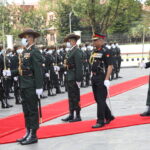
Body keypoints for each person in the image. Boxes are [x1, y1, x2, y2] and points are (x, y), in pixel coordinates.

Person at [3, 28, 43, 145]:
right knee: (26, 110)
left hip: (31, 84)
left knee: (32, 110)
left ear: (30, 38)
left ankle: (33, 134)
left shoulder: (35, 52)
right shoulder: (25, 51)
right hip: (24, 84)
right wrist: (11, 72)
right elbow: (22, 69)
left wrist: (39, 87)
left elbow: (38, 70)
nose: (23, 40)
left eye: (25, 38)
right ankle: (28, 131)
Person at [90, 33, 115, 128]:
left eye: (95, 40)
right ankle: (109, 116)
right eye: (93, 40)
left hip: (101, 77)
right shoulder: (95, 51)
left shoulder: (106, 51)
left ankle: (100, 120)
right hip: (94, 77)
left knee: (100, 99)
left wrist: (107, 79)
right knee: (97, 99)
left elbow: (110, 66)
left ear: (101, 40)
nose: (93, 42)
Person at [61, 33, 83, 122]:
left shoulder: (76, 51)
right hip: (69, 76)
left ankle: (77, 115)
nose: (68, 42)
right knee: (70, 96)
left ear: (73, 41)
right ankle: (71, 114)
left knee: (75, 97)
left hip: (74, 77)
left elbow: (78, 66)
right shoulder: (70, 51)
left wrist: (79, 79)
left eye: (69, 41)